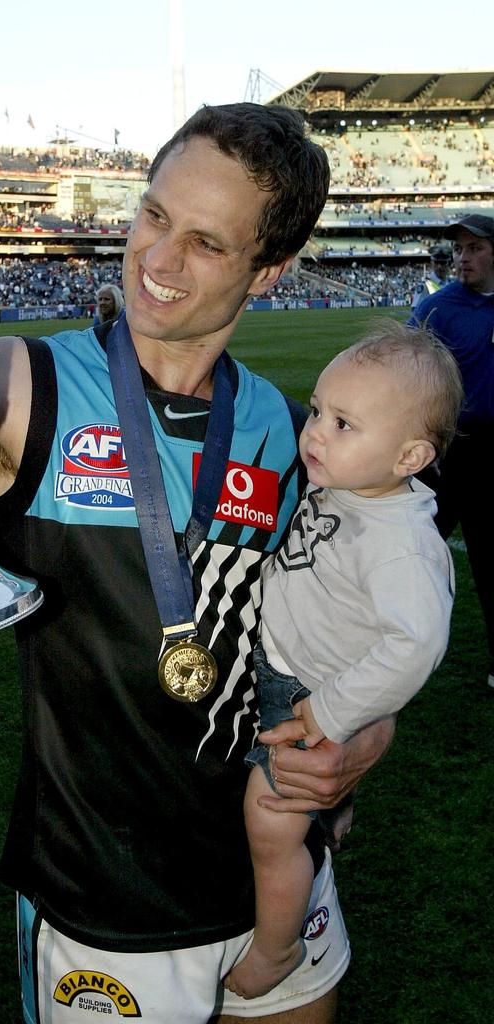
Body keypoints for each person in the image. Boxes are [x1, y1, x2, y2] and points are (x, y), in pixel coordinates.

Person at [0, 103, 395, 1023]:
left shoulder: (300, 438)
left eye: (207, 244)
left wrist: (364, 746)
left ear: (272, 270)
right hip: (101, 900)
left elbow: (364, 648)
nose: (158, 261)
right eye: (153, 215)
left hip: (277, 879)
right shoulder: (26, 383)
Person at [224, 322, 463, 1001]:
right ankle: (333, 815)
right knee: (296, 811)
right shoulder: (355, 487)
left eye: (345, 423)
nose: (316, 433)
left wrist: (329, 713)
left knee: (270, 816)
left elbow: (416, 644)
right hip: (288, 668)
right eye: (320, 410)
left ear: (409, 457)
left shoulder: (402, 543)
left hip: (309, 690)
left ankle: (276, 947)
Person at [409, 213, 494, 689]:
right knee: (412, 551)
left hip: (493, 456)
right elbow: (405, 365)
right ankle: (391, 651)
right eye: (459, 249)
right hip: (445, 451)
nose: (463, 258)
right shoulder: (436, 308)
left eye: (474, 248)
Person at [410, 243, 452, 308]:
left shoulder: (451, 284)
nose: (439, 267)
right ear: (431, 263)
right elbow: (416, 311)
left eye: (443, 263)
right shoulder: (425, 286)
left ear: (449, 264)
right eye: (436, 262)